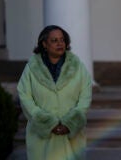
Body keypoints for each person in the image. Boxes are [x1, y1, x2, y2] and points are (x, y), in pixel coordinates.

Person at [17, 25, 92, 160]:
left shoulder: (78, 67)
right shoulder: (31, 68)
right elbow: (24, 96)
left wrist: (71, 122)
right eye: (54, 40)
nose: (60, 44)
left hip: (71, 138)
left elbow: (85, 96)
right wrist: (45, 122)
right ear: (44, 44)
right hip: (42, 139)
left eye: (62, 40)